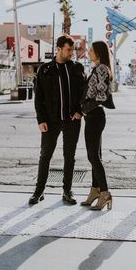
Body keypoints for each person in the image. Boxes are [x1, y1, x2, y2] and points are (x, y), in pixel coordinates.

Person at [29, 35, 85, 206]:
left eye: (72, 50)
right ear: (58, 49)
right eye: (68, 50)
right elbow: (39, 98)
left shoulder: (77, 68)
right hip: (50, 121)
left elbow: (84, 92)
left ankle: (67, 191)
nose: (71, 53)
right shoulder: (45, 69)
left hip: (71, 120)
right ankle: (39, 191)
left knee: (70, 156)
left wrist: (80, 111)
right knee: (45, 155)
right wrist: (41, 119)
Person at [81, 41, 115, 211]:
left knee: (93, 156)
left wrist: (84, 108)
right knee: (95, 155)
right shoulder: (98, 68)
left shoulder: (101, 68)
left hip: (95, 115)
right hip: (93, 116)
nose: (88, 52)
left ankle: (105, 193)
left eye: (91, 50)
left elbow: (101, 96)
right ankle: (95, 191)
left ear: (99, 52)